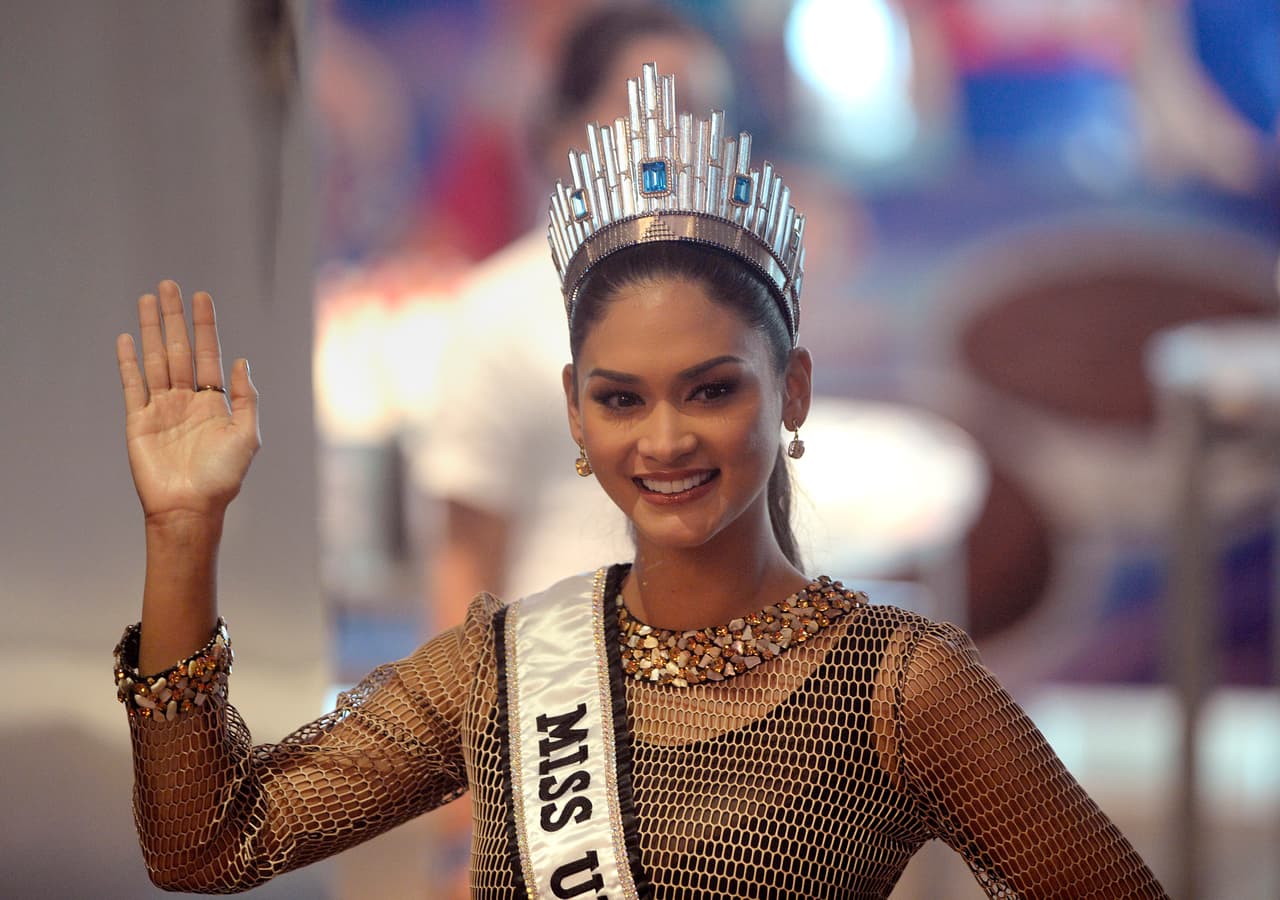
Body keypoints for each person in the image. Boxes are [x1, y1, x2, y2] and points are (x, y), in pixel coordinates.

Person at [113, 63, 1167, 897]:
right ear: (576, 411)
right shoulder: (505, 670)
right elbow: (209, 844)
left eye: (710, 390)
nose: (663, 440)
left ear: (789, 391)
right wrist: (182, 538)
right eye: (621, 399)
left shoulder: (896, 687)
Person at [413, 5, 734, 617]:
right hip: (558, 683)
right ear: (566, 132)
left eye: (702, 114)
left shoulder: (744, 301)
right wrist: (471, 707)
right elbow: (464, 558)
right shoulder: (500, 311)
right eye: (651, 113)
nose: (681, 141)